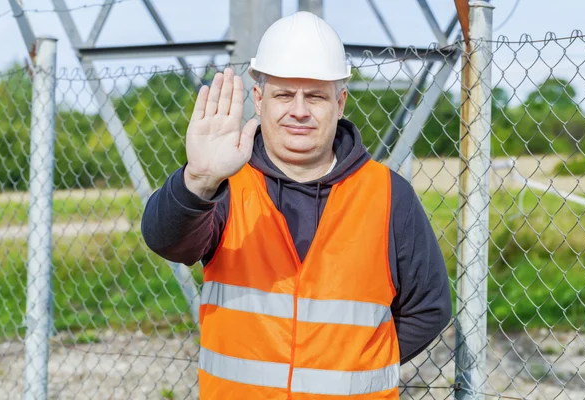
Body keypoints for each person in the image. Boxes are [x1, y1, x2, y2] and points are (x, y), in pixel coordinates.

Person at [141, 11, 451, 400]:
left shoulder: (389, 195)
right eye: (285, 94)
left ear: (340, 103)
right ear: (259, 98)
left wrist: (357, 364)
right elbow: (166, 241)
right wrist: (199, 180)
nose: (300, 111)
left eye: (316, 96)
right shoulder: (227, 186)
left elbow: (429, 308)